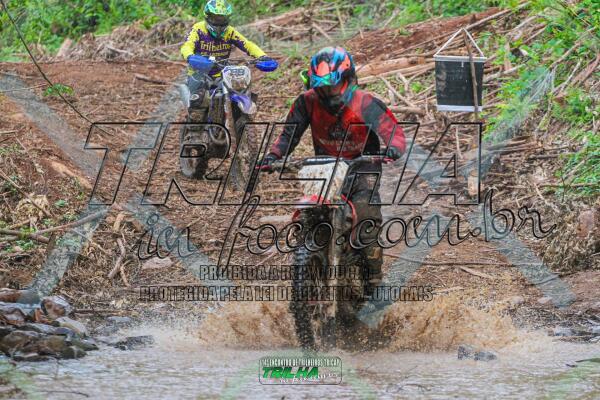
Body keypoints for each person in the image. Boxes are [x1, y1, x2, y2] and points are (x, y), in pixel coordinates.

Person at [260, 46, 406, 297]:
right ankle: (308, 259)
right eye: (322, 87)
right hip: (325, 167)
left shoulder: (365, 102)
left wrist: (392, 149)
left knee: (366, 217)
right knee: (308, 214)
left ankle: (373, 280)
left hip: (363, 167)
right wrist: (273, 156)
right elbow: (288, 135)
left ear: (348, 79)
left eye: (333, 86)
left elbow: (394, 133)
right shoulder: (306, 102)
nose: (328, 92)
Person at [180, 0, 273, 122]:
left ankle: (238, 119)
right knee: (198, 100)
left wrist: (262, 56)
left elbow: (247, 44)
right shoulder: (198, 29)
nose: (219, 22)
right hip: (199, 73)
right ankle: (194, 129)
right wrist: (191, 56)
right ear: (207, 17)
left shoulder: (230, 31)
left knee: (240, 88)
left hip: (222, 73)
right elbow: (187, 45)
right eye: (215, 18)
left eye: (222, 18)